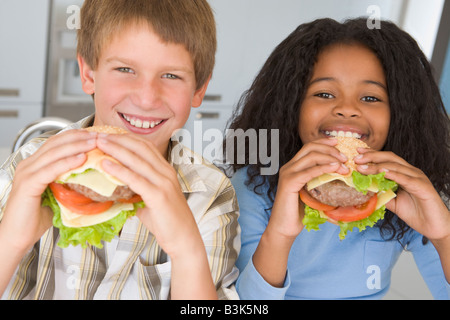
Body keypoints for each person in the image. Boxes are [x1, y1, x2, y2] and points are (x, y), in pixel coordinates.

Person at [0, 0, 240, 300]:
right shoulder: (28, 168)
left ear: (199, 89)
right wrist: (9, 242)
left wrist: (186, 249)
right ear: (88, 74)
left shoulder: (210, 194)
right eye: (125, 69)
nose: (147, 97)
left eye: (171, 76)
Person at [226, 18, 450, 299]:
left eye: (370, 98)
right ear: (292, 106)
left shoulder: (408, 191)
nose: (346, 109)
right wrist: (280, 235)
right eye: (324, 93)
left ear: (401, 115)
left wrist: (444, 237)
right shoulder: (252, 185)